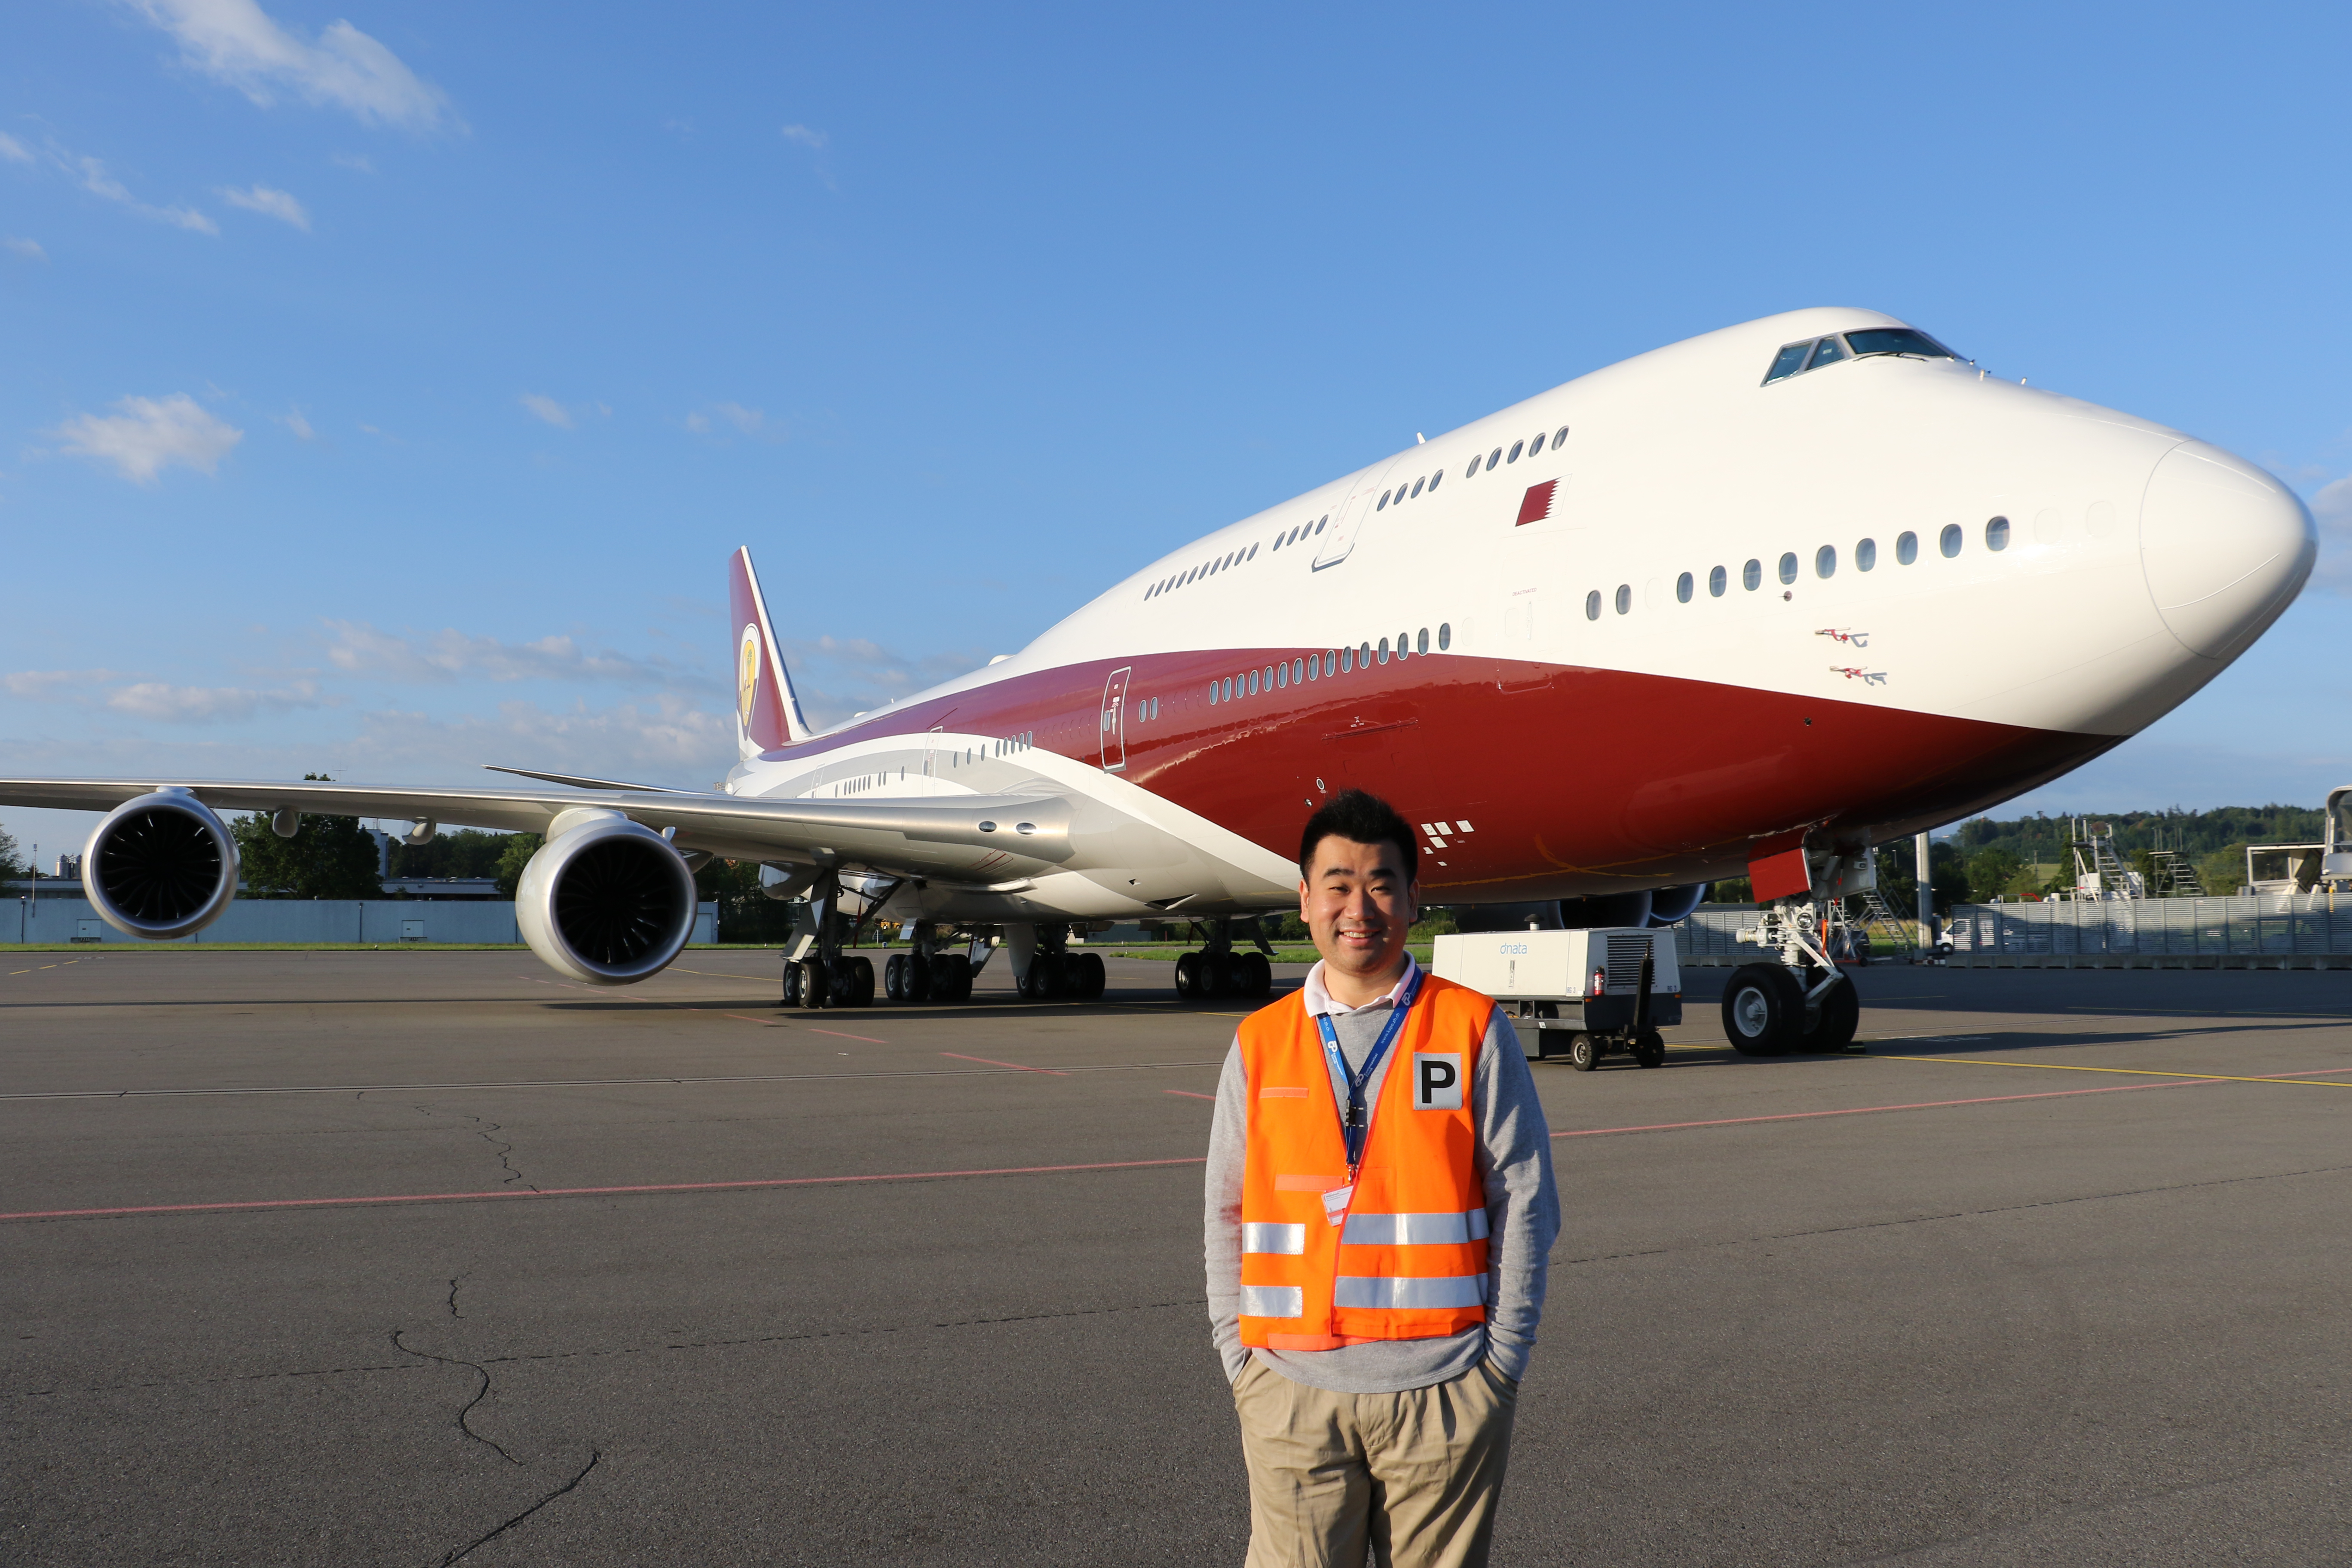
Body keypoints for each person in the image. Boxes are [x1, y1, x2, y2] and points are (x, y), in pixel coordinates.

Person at [1204, 789, 1560, 1568]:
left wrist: (1499, 1365)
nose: (1357, 906)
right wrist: (1242, 1362)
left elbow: (1526, 1198)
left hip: (1444, 1391)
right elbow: (1225, 1214)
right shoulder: (1260, 1043)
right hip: (1290, 1390)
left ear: (1413, 898)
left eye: (1380, 883)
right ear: (1304, 900)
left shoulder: (1469, 1026)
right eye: (1337, 883)